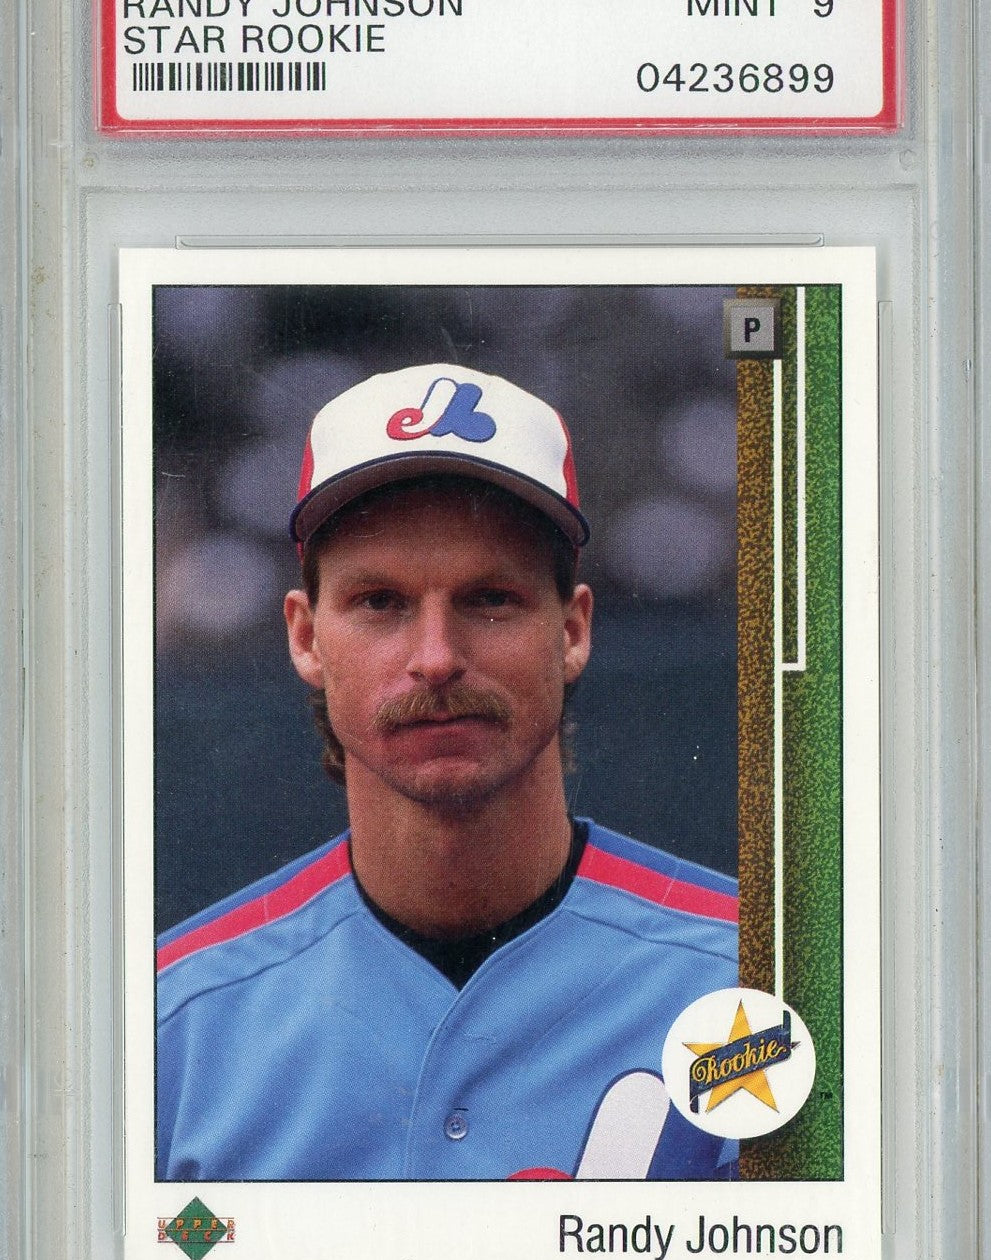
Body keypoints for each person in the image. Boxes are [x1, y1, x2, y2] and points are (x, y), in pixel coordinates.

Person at [156, 363, 739, 1182]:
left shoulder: (757, 990)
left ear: (571, 630)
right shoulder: (167, 1031)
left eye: (490, 598)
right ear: (306, 637)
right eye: (379, 602)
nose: (435, 658)